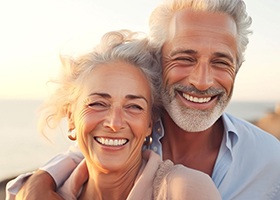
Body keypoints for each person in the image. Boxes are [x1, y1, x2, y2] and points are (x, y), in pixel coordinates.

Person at [6, 0, 280, 199]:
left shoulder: (270, 161)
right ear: (157, 62)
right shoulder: (127, 138)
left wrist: (41, 179)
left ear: (237, 69)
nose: (202, 81)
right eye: (184, 58)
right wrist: (39, 182)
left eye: (221, 63)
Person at [6, 30, 221, 200]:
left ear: (149, 124)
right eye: (98, 104)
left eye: (134, 106)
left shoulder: (184, 190)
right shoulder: (40, 192)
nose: (114, 123)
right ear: (71, 118)